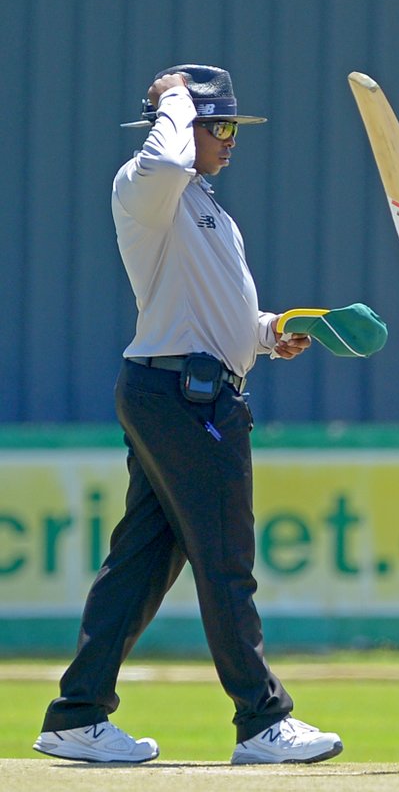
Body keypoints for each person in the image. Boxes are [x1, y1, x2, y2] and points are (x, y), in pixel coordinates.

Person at [33, 65, 343, 765]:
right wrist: (173, 96)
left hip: (181, 388)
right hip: (183, 396)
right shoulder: (145, 183)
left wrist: (268, 332)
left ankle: (76, 715)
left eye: (234, 125)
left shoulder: (203, 204)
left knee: (140, 562)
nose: (231, 139)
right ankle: (262, 720)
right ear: (179, 124)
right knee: (225, 559)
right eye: (219, 125)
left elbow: (208, 311)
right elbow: (167, 160)